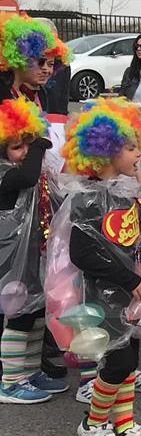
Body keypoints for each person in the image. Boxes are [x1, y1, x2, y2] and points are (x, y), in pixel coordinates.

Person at [55, 99, 141, 436]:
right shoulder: (87, 199)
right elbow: (83, 252)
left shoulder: (123, 190)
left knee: (130, 359)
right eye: (132, 147)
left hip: (128, 291)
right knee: (117, 361)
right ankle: (93, 423)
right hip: (104, 293)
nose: (140, 153)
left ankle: (123, 425)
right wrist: (127, 279)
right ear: (104, 152)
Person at [0, 99, 61, 404]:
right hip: (10, 259)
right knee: (18, 313)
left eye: (27, 144)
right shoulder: (5, 173)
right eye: (16, 147)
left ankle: (30, 369)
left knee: (36, 311)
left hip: (29, 254)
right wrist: (38, 145)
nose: (24, 152)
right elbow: (26, 178)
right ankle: (10, 381)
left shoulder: (20, 167)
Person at [0, 13, 67, 109]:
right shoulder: (4, 92)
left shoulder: (31, 94)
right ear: (23, 57)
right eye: (41, 61)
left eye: (51, 64)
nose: (46, 69)